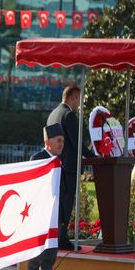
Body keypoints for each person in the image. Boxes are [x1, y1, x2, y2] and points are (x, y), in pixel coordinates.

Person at [46, 85, 96, 251]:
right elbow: (78, 142)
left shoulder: (53, 114)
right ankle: (61, 237)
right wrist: (93, 157)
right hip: (68, 167)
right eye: (79, 99)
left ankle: (55, 235)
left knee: (57, 203)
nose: (79, 104)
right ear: (73, 98)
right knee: (66, 203)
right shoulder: (69, 115)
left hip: (55, 165)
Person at [27, 124, 66, 270]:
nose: (61, 144)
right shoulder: (38, 158)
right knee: (38, 250)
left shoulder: (58, 161)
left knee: (51, 250)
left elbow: (62, 190)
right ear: (47, 142)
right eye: (58, 141)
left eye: (63, 141)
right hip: (40, 214)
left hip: (54, 213)